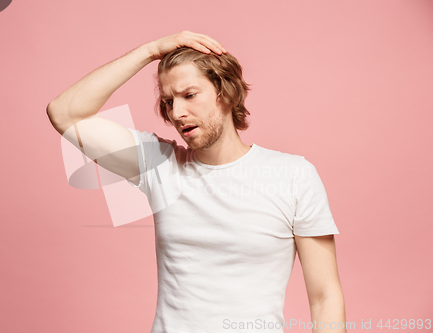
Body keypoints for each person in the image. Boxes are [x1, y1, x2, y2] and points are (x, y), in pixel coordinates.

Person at [47, 31, 346, 333]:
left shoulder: (293, 175)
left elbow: (324, 297)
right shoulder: (160, 165)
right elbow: (64, 113)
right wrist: (150, 51)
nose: (177, 113)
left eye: (189, 95)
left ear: (226, 93)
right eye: (168, 100)